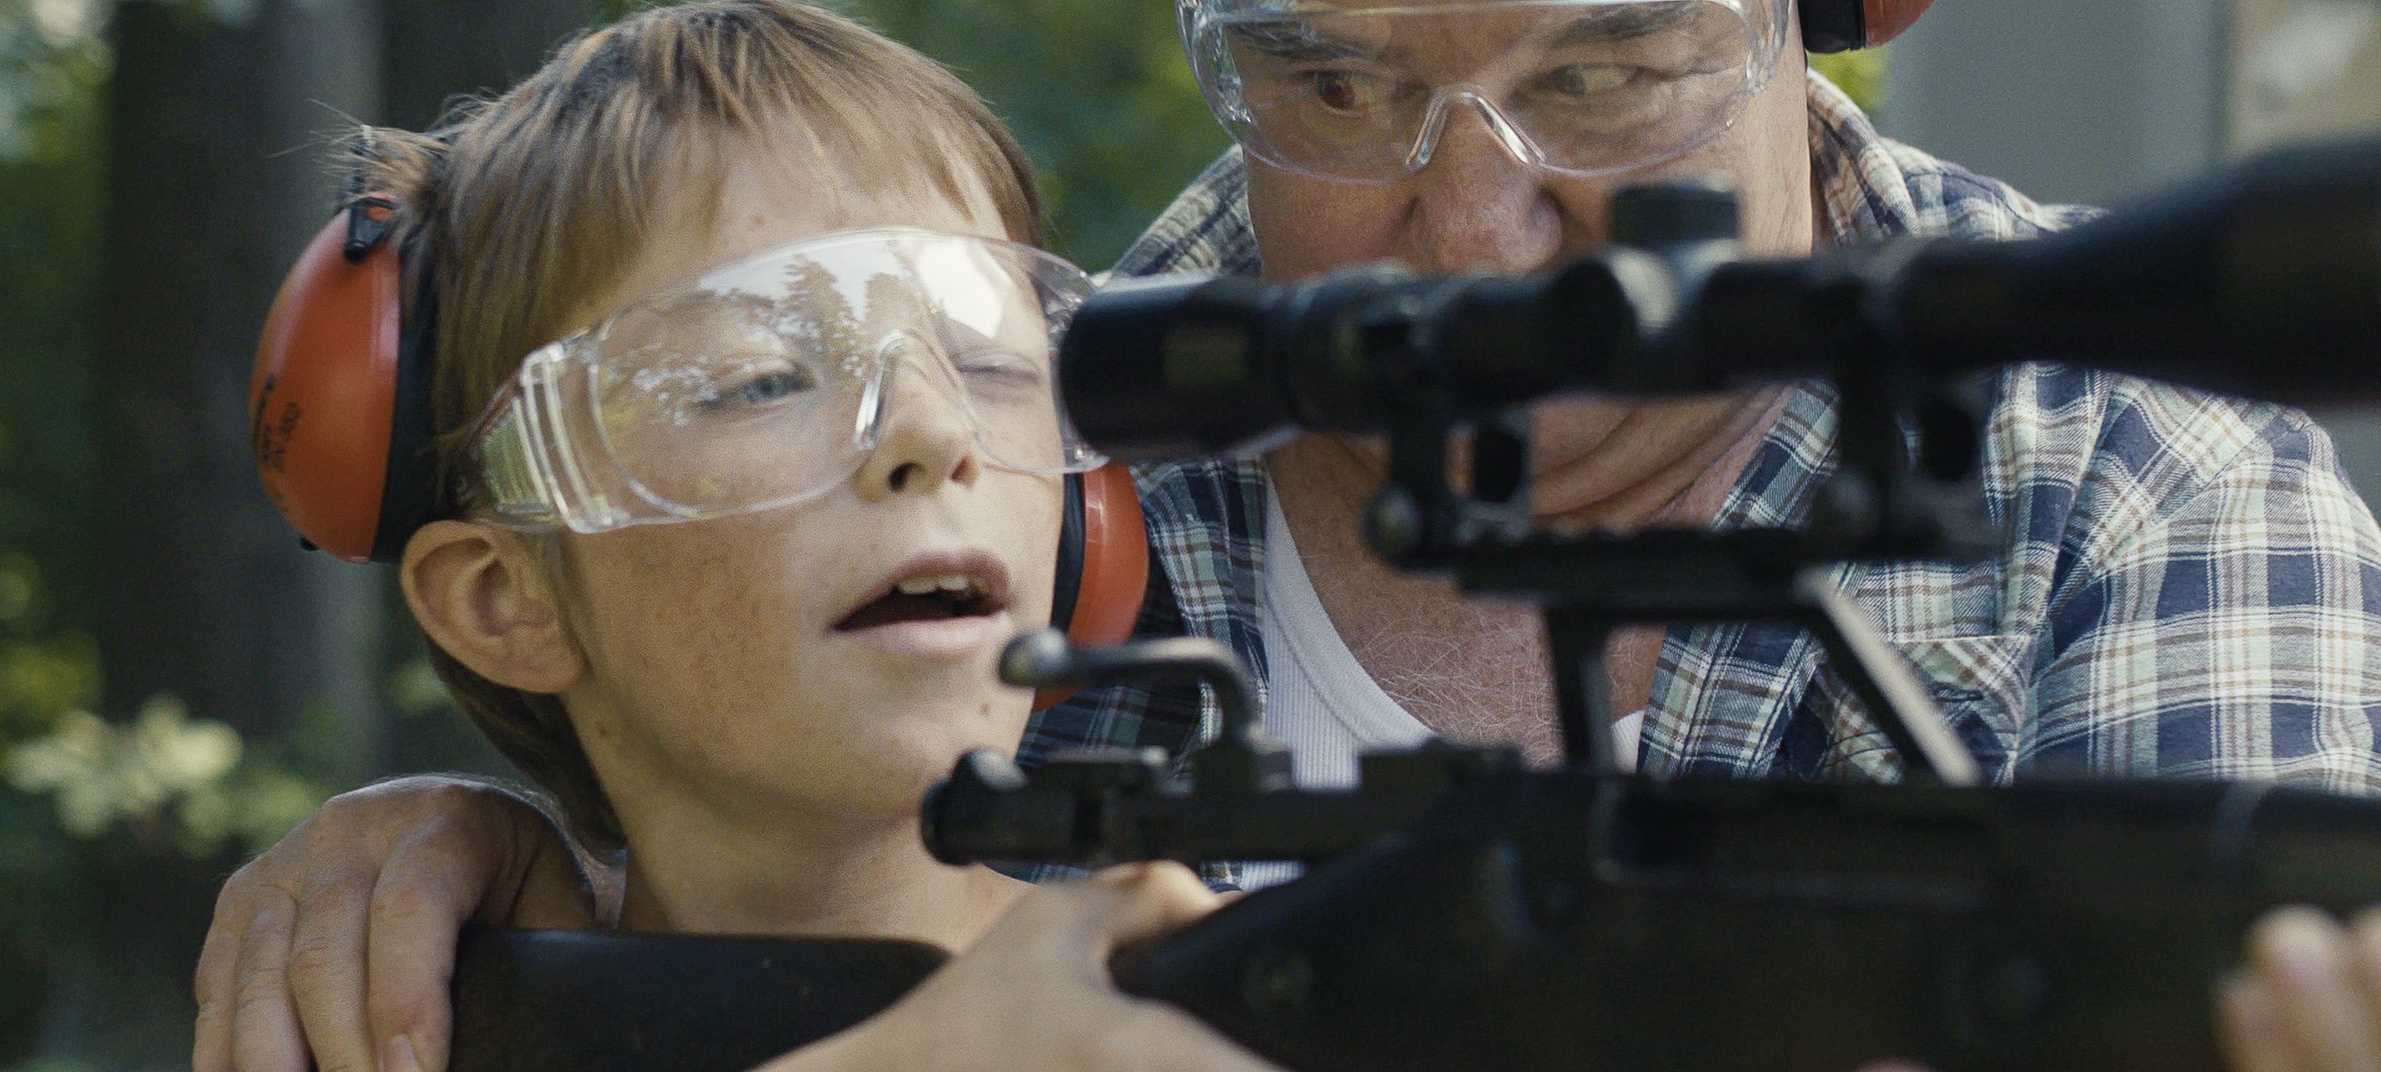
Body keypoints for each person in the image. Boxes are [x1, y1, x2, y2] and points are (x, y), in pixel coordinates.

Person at [197, 0, 2381, 1069]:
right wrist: (480, 843)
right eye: (1340, 91)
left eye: (1605, 75)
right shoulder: (1066, 407)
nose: (1477, 225)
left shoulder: (2151, 462)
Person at [209, 4, 1283, 1072]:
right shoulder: (428, 1035)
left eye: (988, 361)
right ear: (506, 599)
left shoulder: (1251, 1006)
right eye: (758, 379)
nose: (932, 429)